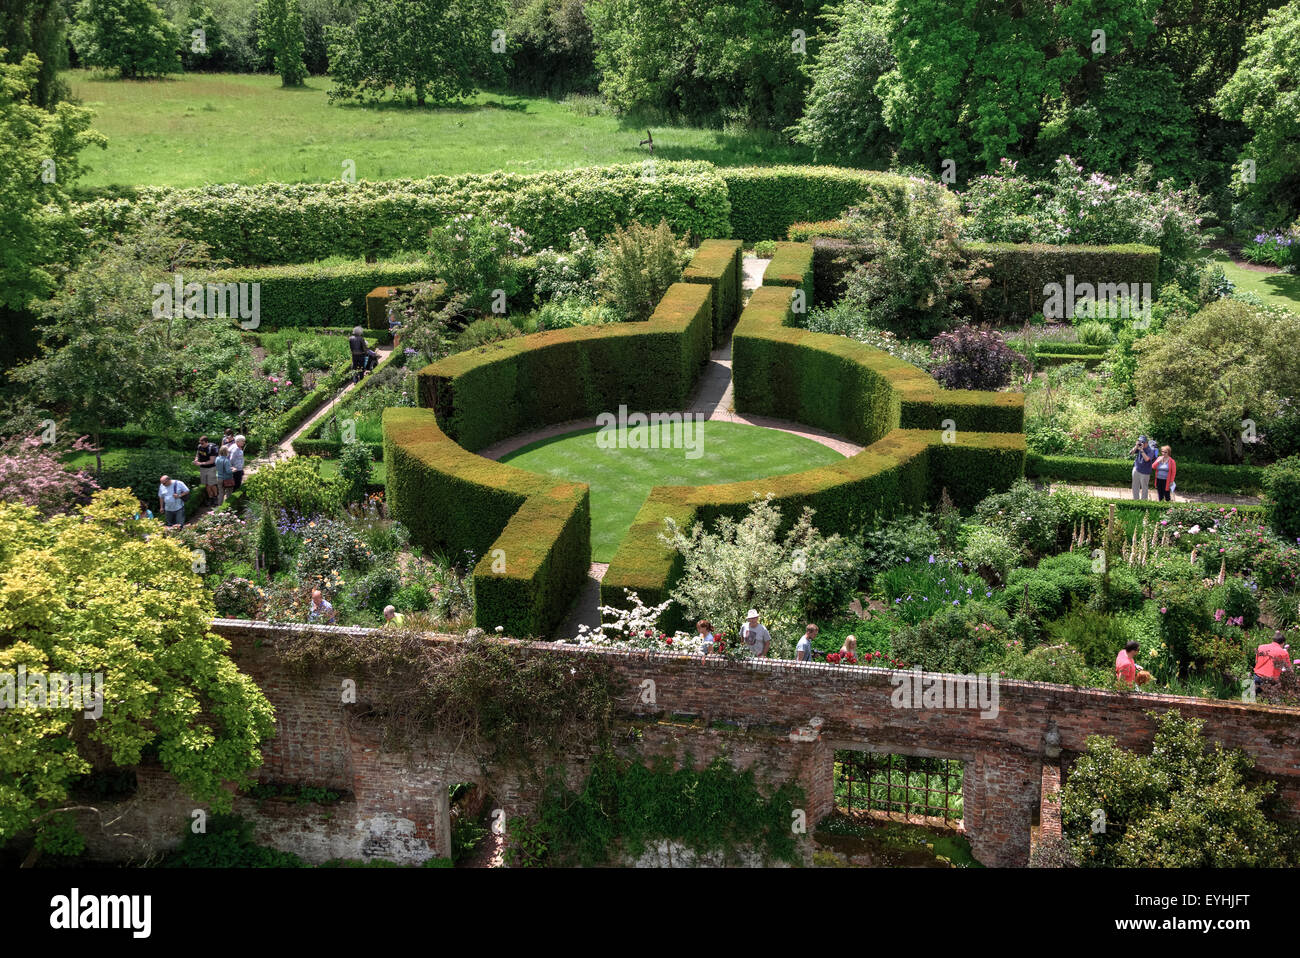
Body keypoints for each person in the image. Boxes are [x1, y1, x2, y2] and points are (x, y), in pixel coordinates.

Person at [1253, 631, 1292, 696]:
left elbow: (1256, 661)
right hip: (1271, 680)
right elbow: (1289, 669)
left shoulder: (1261, 647)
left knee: (1254, 700)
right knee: (1270, 702)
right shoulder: (1283, 653)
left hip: (1257, 676)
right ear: (1283, 643)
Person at [194, 435, 219, 504]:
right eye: (200, 443)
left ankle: (215, 497)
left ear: (206, 442)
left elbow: (212, 461)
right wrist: (196, 460)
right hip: (203, 468)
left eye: (202, 443)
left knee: (212, 484)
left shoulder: (212, 448)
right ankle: (210, 497)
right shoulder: (200, 447)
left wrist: (200, 463)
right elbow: (197, 455)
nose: (201, 444)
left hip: (211, 468)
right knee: (206, 484)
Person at [1130, 435, 1155, 500]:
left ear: (1146, 443)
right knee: (1135, 486)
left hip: (1145, 472)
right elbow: (1131, 453)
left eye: (1142, 442)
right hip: (1137, 469)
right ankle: (1135, 500)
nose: (1141, 443)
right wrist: (1136, 447)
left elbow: (1147, 459)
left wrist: (1141, 450)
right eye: (1140, 441)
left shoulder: (1151, 450)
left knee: (1144, 488)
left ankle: (1143, 502)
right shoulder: (1139, 446)